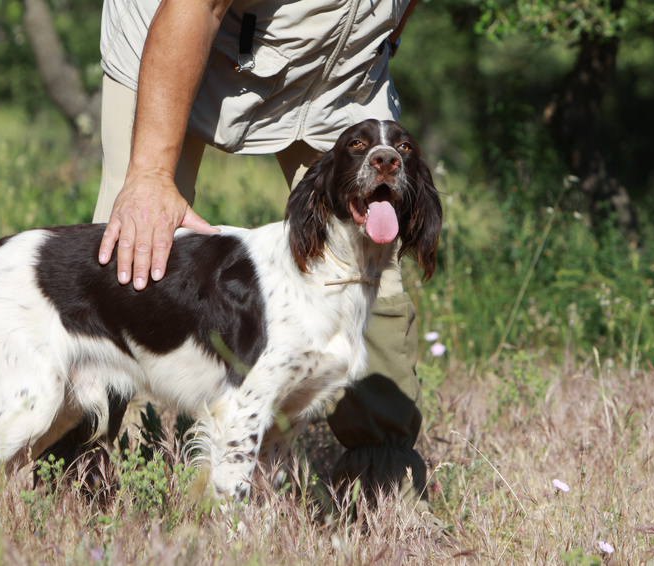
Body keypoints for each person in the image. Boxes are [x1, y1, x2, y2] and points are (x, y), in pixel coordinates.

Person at [95, 0, 436, 520]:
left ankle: (382, 491)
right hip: (177, 35)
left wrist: (370, 45)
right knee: (127, 261)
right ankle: (62, 468)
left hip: (336, 72)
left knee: (376, 283)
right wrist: (148, 175)